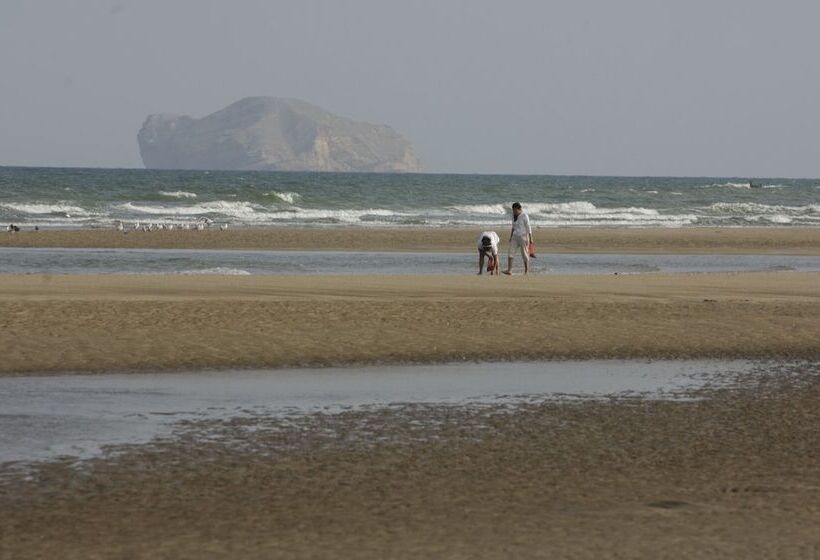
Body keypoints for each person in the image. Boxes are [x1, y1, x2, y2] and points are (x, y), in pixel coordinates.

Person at [502, 202, 532, 275]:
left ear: (520, 209)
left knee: (524, 254)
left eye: (515, 210)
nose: (514, 212)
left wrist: (531, 238)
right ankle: (509, 270)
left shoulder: (524, 215)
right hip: (515, 236)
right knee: (510, 252)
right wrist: (511, 236)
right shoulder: (513, 215)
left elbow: (528, 227)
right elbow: (513, 227)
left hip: (523, 237)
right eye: (513, 210)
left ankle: (526, 270)